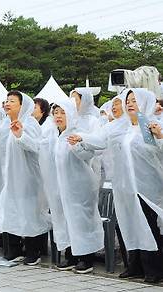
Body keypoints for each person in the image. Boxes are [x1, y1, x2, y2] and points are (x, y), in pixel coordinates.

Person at [83, 89, 163, 283]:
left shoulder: (154, 125)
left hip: (147, 188)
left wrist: (159, 136)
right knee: (130, 226)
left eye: (135, 100)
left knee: (149, 228)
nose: (130, 104)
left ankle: (155, 270)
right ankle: (134, 266)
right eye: (128, 100)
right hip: (125, 187)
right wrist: (81, 138)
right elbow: (100, 139)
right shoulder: (121, 127)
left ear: (145, 102)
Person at [40, 99, 104, 274]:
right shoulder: (53, 135)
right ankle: (70, 255)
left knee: (82, 222)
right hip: (61, 187)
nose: (58, 116)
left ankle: (86, 258)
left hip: (80, 187)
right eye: (56, 113)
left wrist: (77, 145)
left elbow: (89, 155)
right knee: (65, 220)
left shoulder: (77, 133)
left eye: (62, 112)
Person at [0, 91, 49, 265]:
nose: (7, 103)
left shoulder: (30, 123)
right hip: (12, 178)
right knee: (11, 212)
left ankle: (34, 252)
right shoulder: (7, 124)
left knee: (30, 213)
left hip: (28, 178)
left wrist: (21, 136)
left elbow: (37, 148)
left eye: (12, 101)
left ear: (22, 105)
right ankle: (14, 250)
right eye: (6, 101)